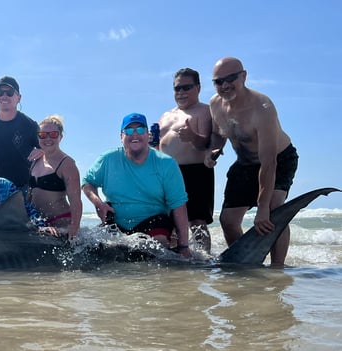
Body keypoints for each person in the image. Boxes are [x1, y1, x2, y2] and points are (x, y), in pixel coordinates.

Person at [205, 57, 298, 267]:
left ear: (244, 76)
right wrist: (214, 150)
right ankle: (246, 265)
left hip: (279, 159)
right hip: (245, 162)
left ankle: (277, 267)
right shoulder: (215, 104)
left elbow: (269, 162)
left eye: (231, 78)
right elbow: (217, 133)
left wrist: (262, 206)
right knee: (228, 220)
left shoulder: (262, 107)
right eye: (219, 81)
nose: (225, 85)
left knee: (274, 212)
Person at [82, 112, 191, 257]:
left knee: (157, 247)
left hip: (154, 220)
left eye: (140, 130)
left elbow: (178, 205)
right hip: (117, 221)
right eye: (129, 130)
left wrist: (184, 246)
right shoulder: (108, 159)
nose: (135, 135)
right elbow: (87, 183)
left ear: (148, 135)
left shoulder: (166, 163)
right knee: (92, 250)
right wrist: (98, 203)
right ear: (121, 136)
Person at [158, 68, 214, 252]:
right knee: (171, 222)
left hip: (195, 171)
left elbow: (206, 143)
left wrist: (192, 136)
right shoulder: (165, 116)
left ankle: (204, 261)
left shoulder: (205, 111)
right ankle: (177, 266)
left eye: (186, 87)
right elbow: (158, 148)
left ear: (198, 87)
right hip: (167, 174)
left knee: (197, 222)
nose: (181, 92)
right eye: (177, 89)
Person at [28, 115, 82, 239]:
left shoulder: (67, 163)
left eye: (53, 134)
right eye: (42, 135)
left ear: (60, 137)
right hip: (40, 224)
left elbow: (75, 199)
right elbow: (30, 196)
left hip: (60, 223)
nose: (47, 138)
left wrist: (74, 227)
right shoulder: (35, 161)